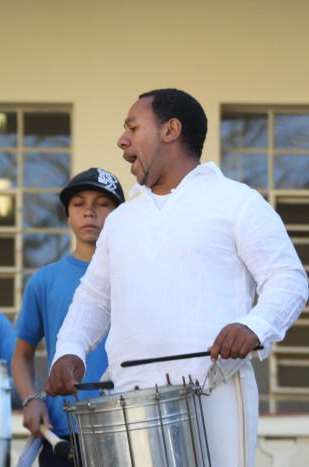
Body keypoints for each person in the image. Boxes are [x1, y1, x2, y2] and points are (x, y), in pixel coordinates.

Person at [46, 89, 308, 466]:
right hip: (129, 403)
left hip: (213, 395)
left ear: (170, 130)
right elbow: (93, 299)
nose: (122, 141)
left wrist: (254, 325)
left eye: (133, 128)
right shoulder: (120, 220)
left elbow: (288, 278)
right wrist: (69, 349)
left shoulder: (238, 202)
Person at [11, 167, 124, 466]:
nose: (90, 212)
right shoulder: (44, 280)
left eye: (102, 204)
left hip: (127, 427)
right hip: (62, 433)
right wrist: (31, 399)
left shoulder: (135, 277)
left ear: (119, 216)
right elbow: (21, 355)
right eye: (79, 204)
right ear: (68, 216)